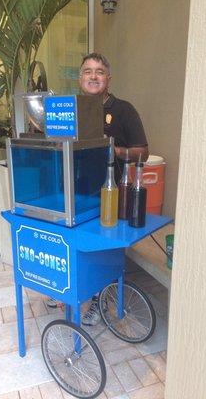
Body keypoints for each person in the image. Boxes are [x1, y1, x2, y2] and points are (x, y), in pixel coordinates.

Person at [47, 53, 149, 325]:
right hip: (72, 192)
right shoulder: (70, 109)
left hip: (106, 194)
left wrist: (112, 148)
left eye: (99, 71)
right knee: (72, 245)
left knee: (101, 251)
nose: (93, 76)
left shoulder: (124, 110)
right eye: (88, 71)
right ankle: (70, 290)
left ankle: (97, 299)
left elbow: (143, 153)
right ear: (80, 79)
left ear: (108, 78)